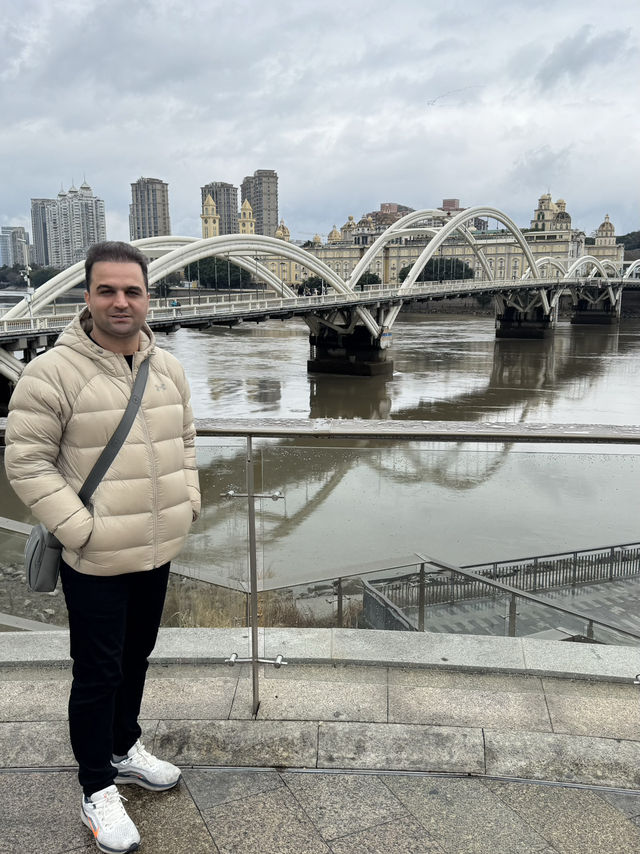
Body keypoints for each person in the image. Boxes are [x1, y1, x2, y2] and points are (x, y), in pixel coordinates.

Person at [4, 241, 201, 854]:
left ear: (148, 299)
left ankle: (123, 747)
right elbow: (27, 463)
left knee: (136, 656)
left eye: (132, 291)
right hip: (93, 558)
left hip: (156, 549)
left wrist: (189, 502)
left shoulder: (167, 369)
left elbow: (186, 441)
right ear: (86, 296)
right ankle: (96, 788)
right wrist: (79, 529)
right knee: (97, 672)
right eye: (107, 290)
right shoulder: (51, 372)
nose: (121, 302)